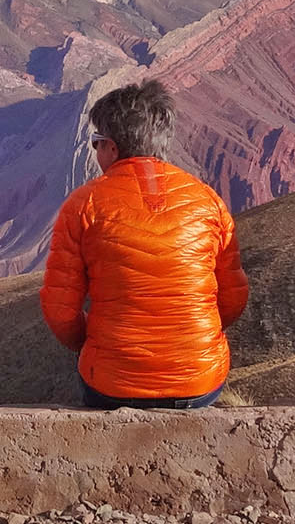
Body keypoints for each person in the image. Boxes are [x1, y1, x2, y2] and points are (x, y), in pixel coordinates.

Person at [39, 80, 248, 409]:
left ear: (112, 147)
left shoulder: (83, 206)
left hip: (112, 385)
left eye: (96, 143)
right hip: (199, 382)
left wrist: (94, 344)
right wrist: (192, 338)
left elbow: (59, 312)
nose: (94, 152)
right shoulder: (209, 202)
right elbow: (234, 299)